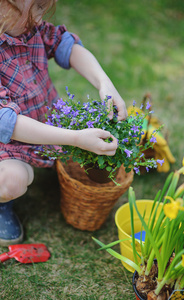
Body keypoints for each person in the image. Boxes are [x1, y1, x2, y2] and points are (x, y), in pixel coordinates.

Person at [0, 0, 127, 246]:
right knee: (11, 181)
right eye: (35, 8)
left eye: (42, 8)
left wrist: (104, 82)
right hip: (8, 146)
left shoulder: (32, 30)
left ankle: (49, 161)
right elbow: (8, 123)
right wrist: (76, 137)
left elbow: (67, 46)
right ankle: (3, 205)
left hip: (45, 125)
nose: (40, 18)